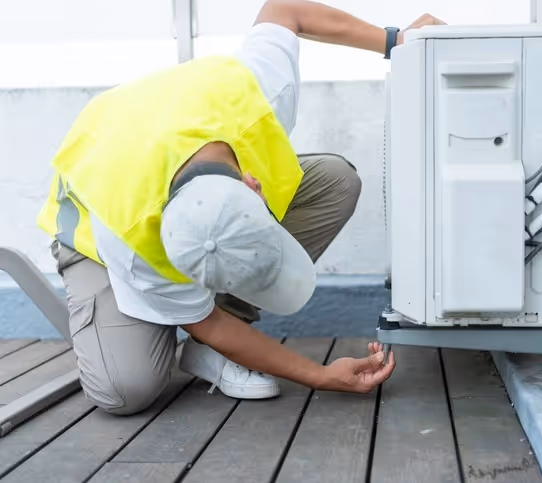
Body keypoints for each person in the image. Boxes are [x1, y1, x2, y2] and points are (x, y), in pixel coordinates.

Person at [36, 0, 444, 415]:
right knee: (125, 392)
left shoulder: (259, 91)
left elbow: (284, 9)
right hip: (95, 235)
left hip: (163, 150)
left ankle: (198, 348)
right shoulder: (129, 234)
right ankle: (149, 319)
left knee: (335, 181)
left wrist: (396, 40)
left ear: (253, 185)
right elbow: (208, 322)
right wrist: (319, 375)